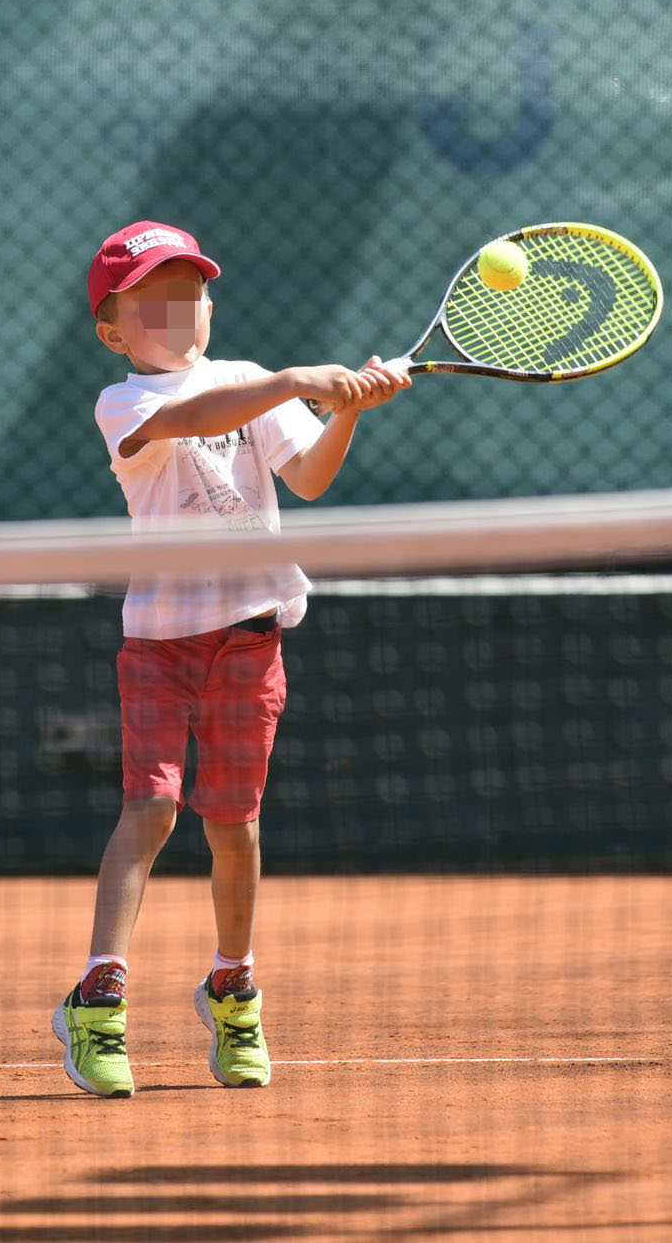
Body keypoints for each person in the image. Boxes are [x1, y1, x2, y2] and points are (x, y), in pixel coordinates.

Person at [53, 221, 410, 1098]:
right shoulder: (124, 403)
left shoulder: (250, 383)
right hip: (161, 645)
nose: (178, 312)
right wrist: (297, 381)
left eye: (192, 294)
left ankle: (234, 986)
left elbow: (312, 478)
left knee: (234, 825)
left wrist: (347, 415)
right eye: (152, 301)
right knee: (151, 809)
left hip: (251, 637)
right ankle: (98, 999)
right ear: (113, 330)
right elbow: (193, 419)